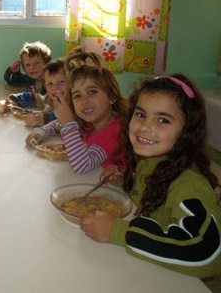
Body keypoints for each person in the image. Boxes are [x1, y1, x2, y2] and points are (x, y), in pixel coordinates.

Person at [81, 74, 221, 292]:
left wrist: (119, 233)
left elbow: (204, 250)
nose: (145, 127)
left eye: (163, 120)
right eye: (140, 114)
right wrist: (125, 181)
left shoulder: (188, 186)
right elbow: (149, 199)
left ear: (187, 130)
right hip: (151, 270)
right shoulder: (153, 163)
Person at [52, 47, 128, 174]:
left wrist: (69, 124)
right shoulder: (90, 125)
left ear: (112, 96)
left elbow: (82, 166)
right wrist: (44, 131)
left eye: (92, 92)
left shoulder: (115, 132)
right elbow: (57, 126)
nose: (84, 101)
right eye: (77, 96)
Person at [24, 58, 67, 142]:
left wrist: (43, 119)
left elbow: (67, 123)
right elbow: (37, 98)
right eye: (50, 84)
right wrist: (14, 99)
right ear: (45, 86)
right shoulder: (49, 98)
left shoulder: (75, 104)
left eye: (61, 82)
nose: (55, 88)